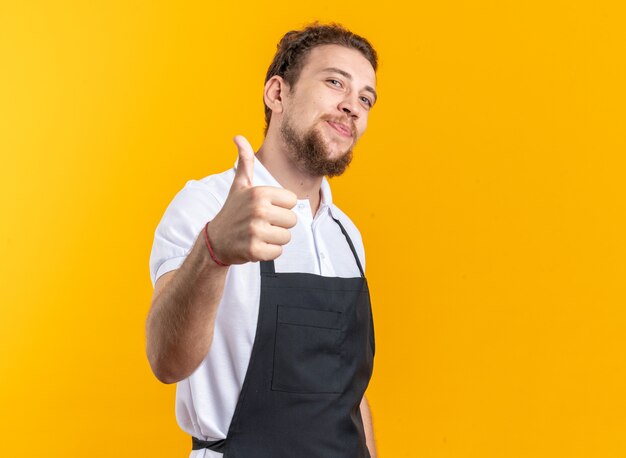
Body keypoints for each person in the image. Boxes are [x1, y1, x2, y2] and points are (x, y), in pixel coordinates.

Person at [147, 22, 378, 458]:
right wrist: (213, 251)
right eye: (335, 82)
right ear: (277, 93)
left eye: (366, 98)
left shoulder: (346, 234)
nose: (353, 107)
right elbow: (165, 361)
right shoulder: (206, 205)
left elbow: (350, 392)